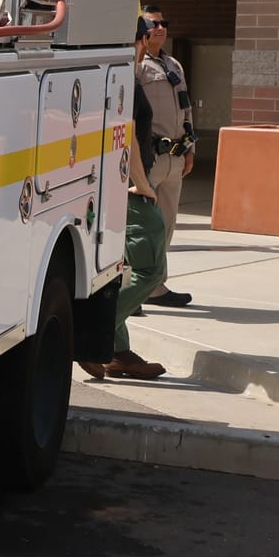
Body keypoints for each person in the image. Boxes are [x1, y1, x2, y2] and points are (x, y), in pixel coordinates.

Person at [78, 27, 170, 381]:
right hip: (130, 189)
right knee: (150, 271)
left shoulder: (114, 75)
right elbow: (126, 133)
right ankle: (92, 338)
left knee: (120, 271)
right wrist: (143, 185)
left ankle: (118, 352)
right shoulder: (123, 78)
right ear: (142, 42)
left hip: (117, 187)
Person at [136, 6, 196, 306]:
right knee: (141, 226)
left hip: (174, 155)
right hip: (149, 156)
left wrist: (190, 148)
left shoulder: (173, 64)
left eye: (164, 22)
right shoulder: (137, 64)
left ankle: (156, 287)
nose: (160, 27)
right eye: (153, 23)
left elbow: (186, 109)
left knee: (167, 224)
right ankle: (134, 288)